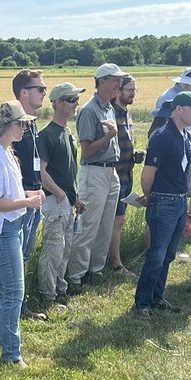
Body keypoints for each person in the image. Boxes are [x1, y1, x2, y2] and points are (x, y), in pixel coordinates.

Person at [0, 101, 44, 367]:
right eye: (21, 123)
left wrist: (28, 195)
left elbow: (8, 195)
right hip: (3, 230)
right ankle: (12, 353)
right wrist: (28, 203)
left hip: (10, 227)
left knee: (1, 288)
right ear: (7, 125)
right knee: (15, 290)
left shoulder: (6, 152)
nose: (26, 127)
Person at [135, 91, 191, 317]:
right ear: (179, 109)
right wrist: (153, 197)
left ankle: (156, 297)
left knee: (168, 254)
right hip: (164, 202)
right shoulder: (163, 136)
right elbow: (147, 175)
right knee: (156, 254)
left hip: (179, 202)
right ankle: (143, 303)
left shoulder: (183, 135)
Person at [67, 63, 127, 293]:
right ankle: (76, 276)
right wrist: (111, 135)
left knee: (105, 224)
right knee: (90, 224)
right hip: (94, 171)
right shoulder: (90, 111)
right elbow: (87, 150)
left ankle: (96, 269)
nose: (118, 85)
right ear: (102, 81)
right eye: (115, 80)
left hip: (111, 171)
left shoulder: (108, 108)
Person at [37, 83, 86, 306]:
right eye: (71, 99)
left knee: (65, 250)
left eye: (76, 99)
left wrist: (74, 198)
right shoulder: (47, 135)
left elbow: (67, 172)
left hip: (66, 202)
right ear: (57, 103)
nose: (76, 103)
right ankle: (47, 295)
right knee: (54, 250)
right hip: (55, 202)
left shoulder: (68, 133)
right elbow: (42, 172)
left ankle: (59, 288)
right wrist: (60, 195)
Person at [10, 70, 50, 270]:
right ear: (24, 93)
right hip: (21, 200)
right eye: (40, 88)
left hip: (35, 198)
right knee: (17, 258)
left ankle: (22, 301)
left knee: (26, 256)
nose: (45, 93)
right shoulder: (14, 123)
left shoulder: (32, 123)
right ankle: (17, 301)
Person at [110, 74, 142, 275]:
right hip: (115, 175)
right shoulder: (112, 113)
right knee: (116, 221)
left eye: (134, 90)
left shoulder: (127, 113)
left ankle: (113, 259)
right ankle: (115, 264)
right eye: (130, 89)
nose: (133, 94)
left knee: (118, 220)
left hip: (126, 174)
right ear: (118, 90)